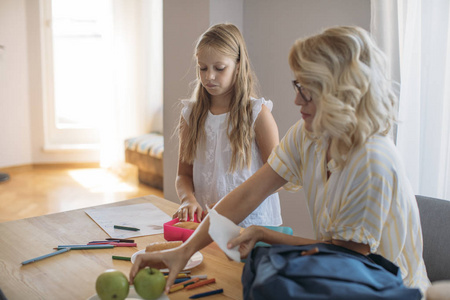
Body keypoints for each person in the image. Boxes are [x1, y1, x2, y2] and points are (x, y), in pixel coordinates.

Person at [130, 26, 430, 295]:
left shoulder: (371, 162)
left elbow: (346, 258)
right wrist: (186, 249)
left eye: (306, 90)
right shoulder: (307, 135)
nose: (297, 100)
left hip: (386, 289)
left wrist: (265, 234)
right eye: (297, 86)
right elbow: (249, 193)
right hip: (343, 280)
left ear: (340, 92)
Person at [173, 23, 282, 228]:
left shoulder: (257, 114)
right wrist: (188, 199)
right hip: (208, 225)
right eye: (202, 68)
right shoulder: (191, 115)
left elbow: (277, 179)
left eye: (219, 68)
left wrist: (233, 204)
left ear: (238, 65)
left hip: (253, 226)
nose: (209, 76)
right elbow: (183, 175)